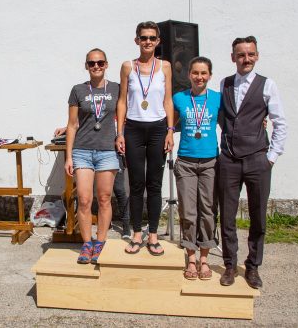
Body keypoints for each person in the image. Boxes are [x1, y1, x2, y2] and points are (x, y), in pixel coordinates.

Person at [218, 36, 287, 289]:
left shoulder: (267, 85)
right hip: (229, 159)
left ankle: (253, 266)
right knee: (227, 215)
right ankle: (229, 265)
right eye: (241, 55)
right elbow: (223, 117)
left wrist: (271, 157)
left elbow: (280, 122)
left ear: (256, 56)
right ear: (233, 57)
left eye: (250, 54)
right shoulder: (224, 83)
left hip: (258, 159)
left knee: (258, 215)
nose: (245, 59)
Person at [116, 21, 175, 256]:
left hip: (158, 128)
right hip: (133, 129)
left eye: (152, 38)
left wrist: (170, 130)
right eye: (143, 37)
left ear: (158, 41)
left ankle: (153, 235)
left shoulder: (165, 67)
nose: (147, 41)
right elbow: (122, 101)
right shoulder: (127, 67)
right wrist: (120, 133)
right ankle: (137, 233)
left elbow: (168, 100)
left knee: (155, 184)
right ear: (137, 40)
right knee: (136, 184)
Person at [64, 48, 120, 264]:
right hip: (82, 151)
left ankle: (101, 242)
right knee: (84, 199)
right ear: (86, 66)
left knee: (104, 198)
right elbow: (72, 124)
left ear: (106, 64)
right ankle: (87, 244)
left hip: (107, 150)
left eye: (100, 62)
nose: (96, 66)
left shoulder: (116, 88)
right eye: (91, 63)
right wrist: (69, 156)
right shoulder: (78, 90)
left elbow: (124, 116)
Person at [172, 56, 221, 280]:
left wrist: (261, 122)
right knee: (188, 211)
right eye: (195, 73)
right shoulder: (179, 98)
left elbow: (231, 123)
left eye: (203, 73)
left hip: (210, 162)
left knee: (208, 211)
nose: (199, 77)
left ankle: (204, 259)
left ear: (209, 75)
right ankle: (191, 258)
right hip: (186, 162)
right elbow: (169, 124)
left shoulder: (218, 98)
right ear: (189, 75)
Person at [54, 126, 130, 238]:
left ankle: (126, 226)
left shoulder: (119, 116)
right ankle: (96, 230)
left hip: (114, 150)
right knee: (87, 195)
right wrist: (67, 128)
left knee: (118, 189)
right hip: (93, 149)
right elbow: (86, 121)